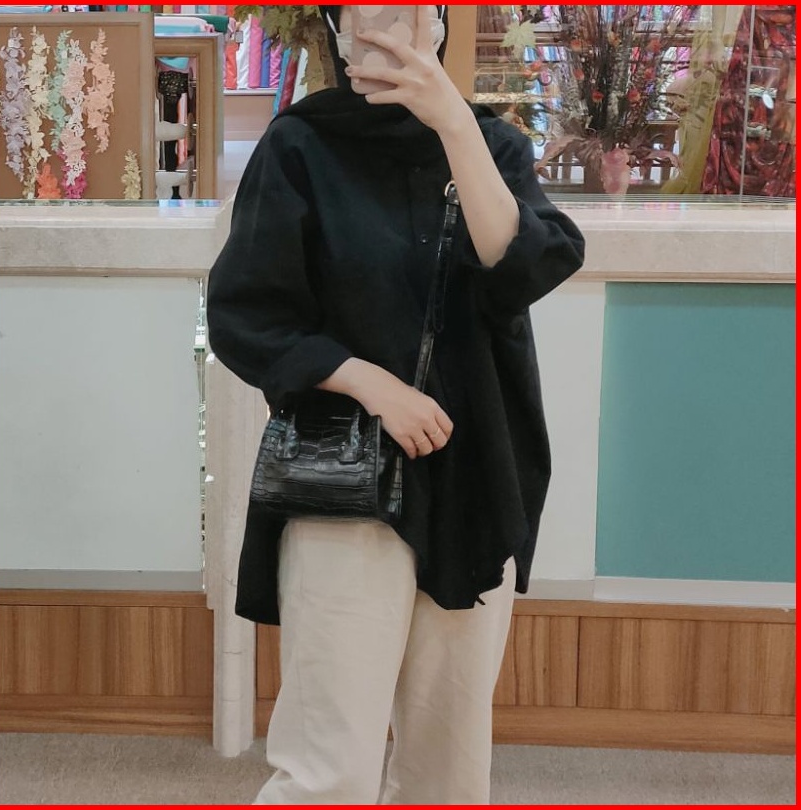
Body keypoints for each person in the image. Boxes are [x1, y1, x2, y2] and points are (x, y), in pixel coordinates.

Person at [206, 6, 585, 805]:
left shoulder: (492, 145)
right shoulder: (300, 146)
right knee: (327, 770)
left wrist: (453, 121)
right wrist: (371, 384)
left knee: (448, 767)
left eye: (408, 8)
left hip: (475, 476)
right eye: (364, 10)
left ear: (437, 23)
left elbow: (521, 271)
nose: (385, 25)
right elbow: (247, 315)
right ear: (336, 26)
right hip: (343, 478)